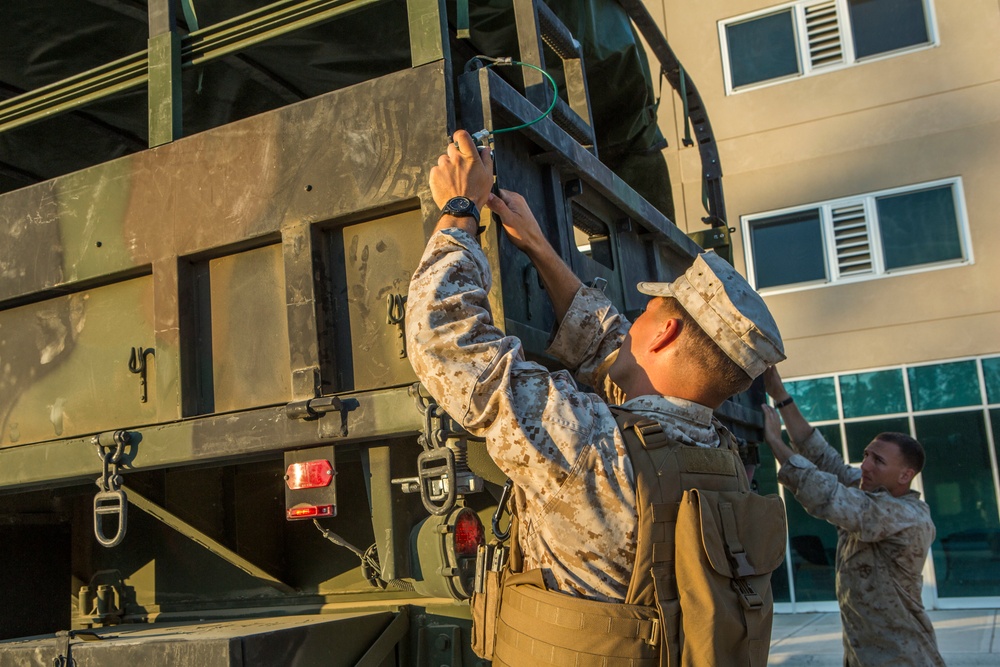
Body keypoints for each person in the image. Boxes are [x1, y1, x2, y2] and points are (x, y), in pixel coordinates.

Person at [405, 130, 785, 664]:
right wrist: (537, 246)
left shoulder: (589, 444)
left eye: (645, 313)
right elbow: (616, 351)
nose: (629, 320)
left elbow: (445, 338)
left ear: (665, 336)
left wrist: (460, 208)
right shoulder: (715, 453)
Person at [761, 366, 945, 667]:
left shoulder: (906, 516)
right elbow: (821, 457)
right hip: (862, 654)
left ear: (905, 475)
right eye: (867, 455)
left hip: (903, 659)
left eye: (878, 461)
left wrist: (775, 442)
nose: (865, 466)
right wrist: (780, 395)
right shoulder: (870, 492)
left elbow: (827, 494)